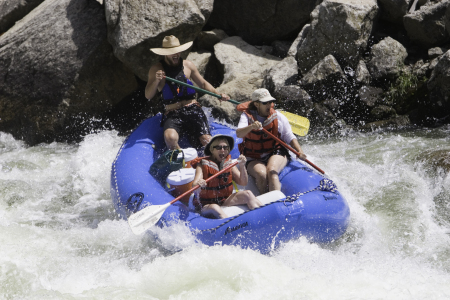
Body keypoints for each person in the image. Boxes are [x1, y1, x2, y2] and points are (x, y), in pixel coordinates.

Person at [145, 35, 230, 151]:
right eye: (172, 52)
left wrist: (218, 94)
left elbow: (203, 84)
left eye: (178, 51)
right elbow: (148, 95)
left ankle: (211, 161)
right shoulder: (156, 69)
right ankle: (182, 160)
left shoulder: (188, 65)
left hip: (193, 109)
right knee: (170, 137)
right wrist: (156, 81)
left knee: (206, 139)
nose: (176, 54)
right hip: (173, 112)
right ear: (165, 53)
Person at [236, 88, 307, 194]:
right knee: (261, 174)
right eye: (265, 103)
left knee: (272, 172)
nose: (269, 105)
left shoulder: (277, 115)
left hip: (275, 152)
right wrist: (251, 127)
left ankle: (276, 200)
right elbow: (239, 133)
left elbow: (289, 136)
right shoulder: (246, 116)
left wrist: (299, 151)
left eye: (270, 101)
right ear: (256, 104)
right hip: (253, 156)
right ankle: (265, 200)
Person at [191, 134, 263, 219]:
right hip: (206, 205)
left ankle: (262, 217)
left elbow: (243, 182)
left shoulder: (229, 164)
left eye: (225, 148)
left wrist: (242, 166)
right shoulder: (202, 165)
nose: (222, 150)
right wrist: (199, 183)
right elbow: (194, 185)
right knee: (215, 208)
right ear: (211, 149)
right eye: (218, 147)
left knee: (248, 194)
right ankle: (230, 227)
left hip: (224, 200)